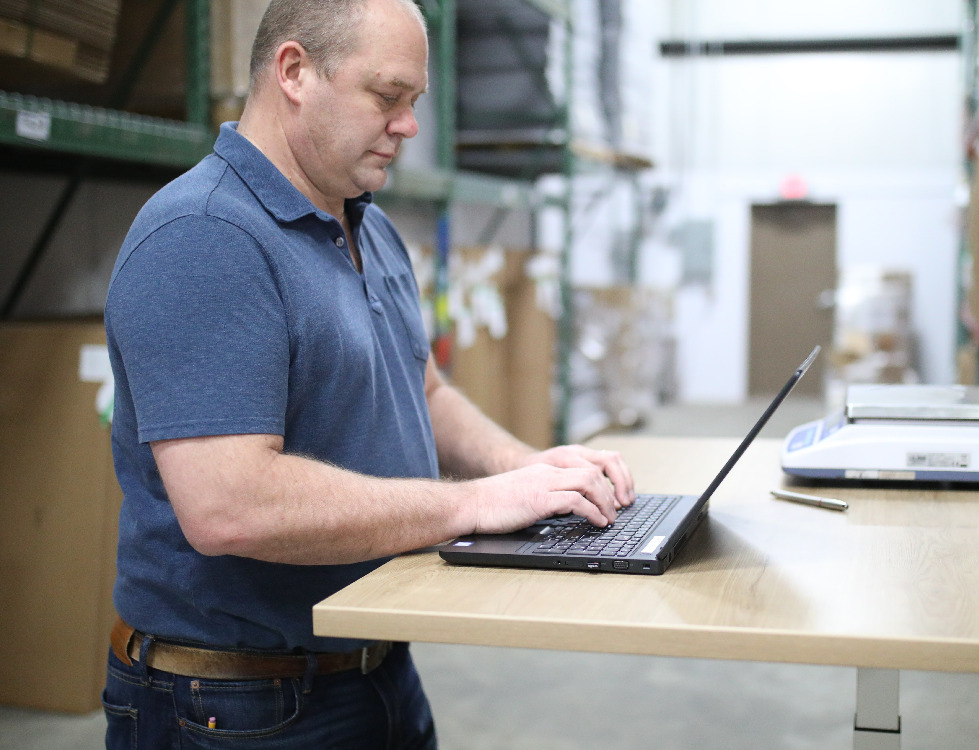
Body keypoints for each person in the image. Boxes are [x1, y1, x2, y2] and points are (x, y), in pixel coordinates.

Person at [101, 0, 635, 746]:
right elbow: (230, 506)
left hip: (371, 668)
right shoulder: (206, 237)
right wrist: (473, 504)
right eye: (387, 97)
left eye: (413, 102)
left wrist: (531, 470)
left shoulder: (368, 224)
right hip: (238, 704)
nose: (409, 126)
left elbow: (421, 391)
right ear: (294, 72)